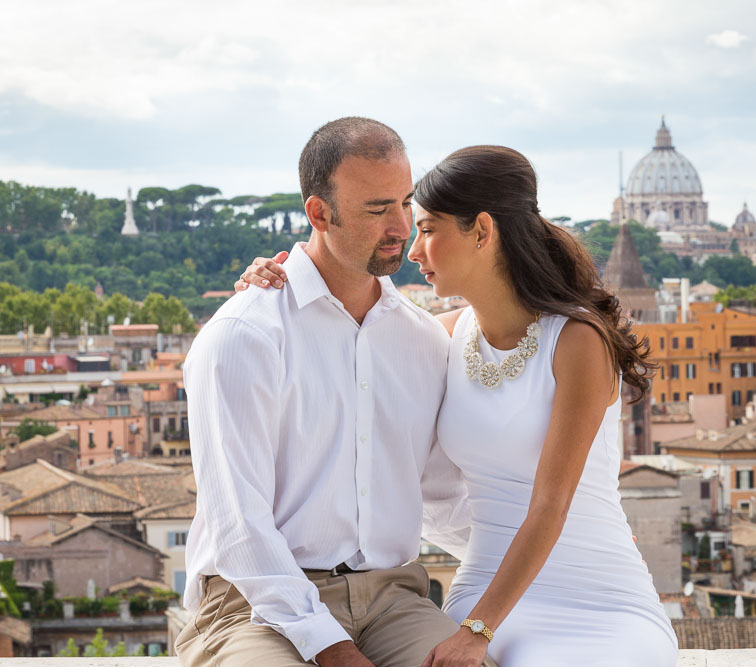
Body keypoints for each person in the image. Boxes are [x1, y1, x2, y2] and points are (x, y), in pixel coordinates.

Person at [237, 145, 679, 666]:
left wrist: (476, 630)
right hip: (486, 587)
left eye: (427, 229)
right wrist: (277, 283)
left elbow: (550, 504)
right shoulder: (439, 337)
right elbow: (343, 347)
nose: (413, 249)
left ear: (482, 231)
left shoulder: (578, 338)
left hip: (596, 596)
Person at [176, 117, 496, 667]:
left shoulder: (422, 341)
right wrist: (330, 647)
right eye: (378, 210)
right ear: (319, 213)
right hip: (253, 602)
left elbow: (443, 501)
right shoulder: (243, 336)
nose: (401, 227)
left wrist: (558, 559)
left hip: (393, 599)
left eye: (404, 204)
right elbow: (237, 523)